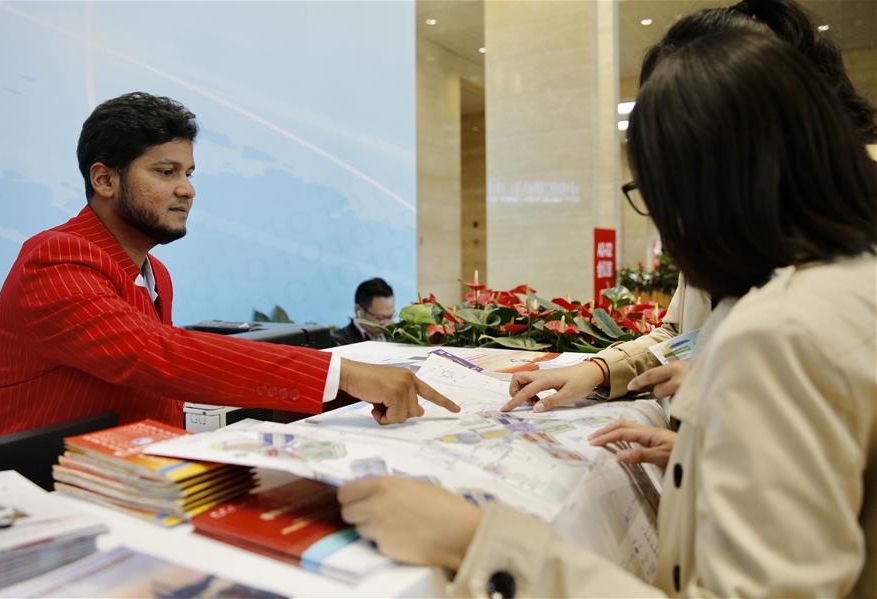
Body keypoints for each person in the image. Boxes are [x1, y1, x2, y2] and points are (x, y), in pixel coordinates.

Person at [338, 31, 877, 597]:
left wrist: (475, 542)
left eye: (657, 194)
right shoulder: (847, 285)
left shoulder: (778, 333)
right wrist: (701, 459)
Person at [0, 93, 458, 440]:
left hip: (132, 475)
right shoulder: (56, 257)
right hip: (35, 486)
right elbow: (154, 355)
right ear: (104, 178)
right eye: (165, 172)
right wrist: (339, 371)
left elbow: (156, 384)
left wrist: (354, 392)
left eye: (188, 173)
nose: (187, 189)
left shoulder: (155, 273)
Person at [503, 0, 877, 419]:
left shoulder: (807, 299)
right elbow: (684, 335)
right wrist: (603, 368)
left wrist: (725, 398)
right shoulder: (724, 228)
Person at [331, 277, 395, 346]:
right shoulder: (340, 343)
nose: (386, 324)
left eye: (390, 317)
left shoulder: (397, 334)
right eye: (379, 318)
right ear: (358, 309)